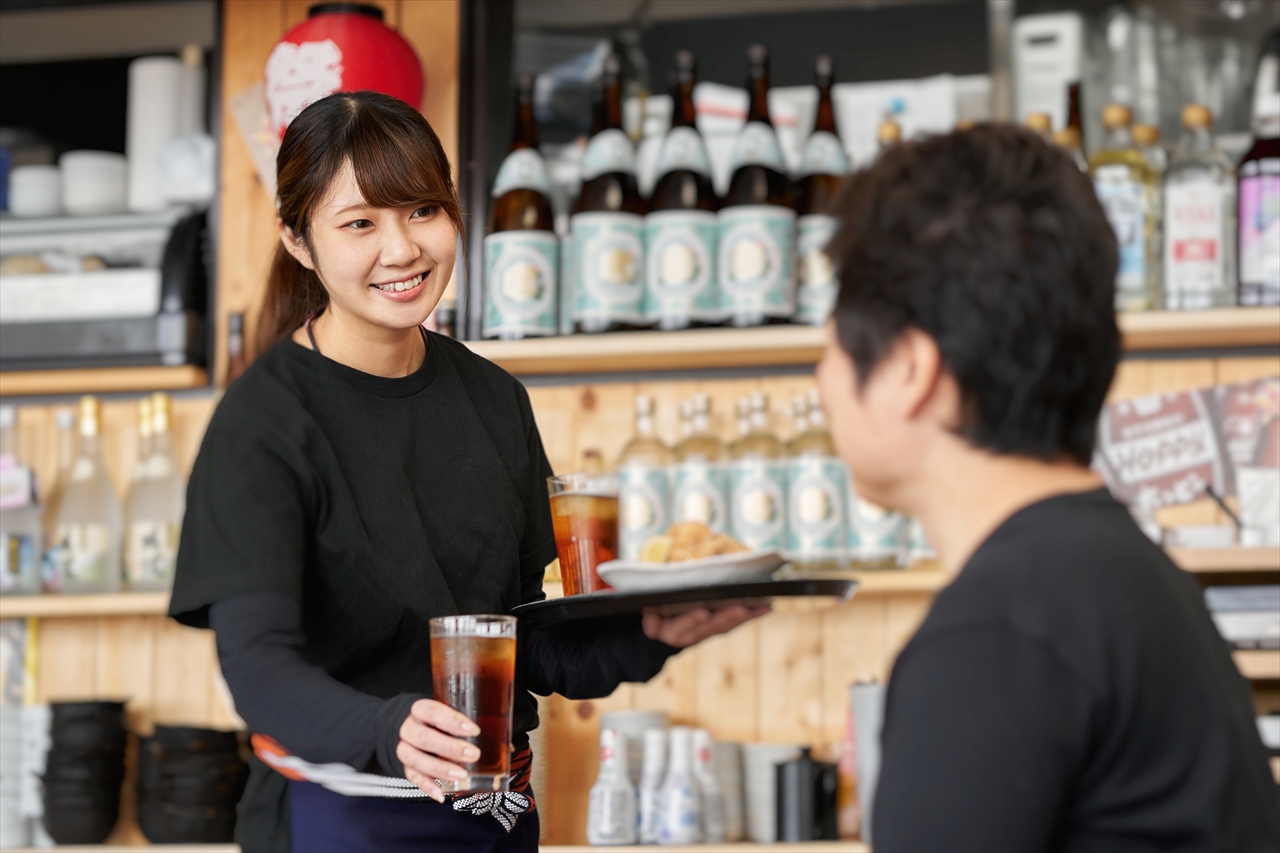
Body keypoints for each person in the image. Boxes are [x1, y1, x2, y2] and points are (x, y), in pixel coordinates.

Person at [169, 91, 766, 853]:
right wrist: (390, 729)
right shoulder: (264, 421)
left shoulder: (493, 398)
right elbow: (257, 670)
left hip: (499, 818)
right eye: (360, 223)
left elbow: (523, 642)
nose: (402, 249)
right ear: (298, 240)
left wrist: (650, 630)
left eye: (422, 210)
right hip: (340, 821)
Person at [816, 124, 1280, 851]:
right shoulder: (1127, 577)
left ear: (911, 370)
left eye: (833, 341)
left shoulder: (994, 638)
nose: (822, 379)